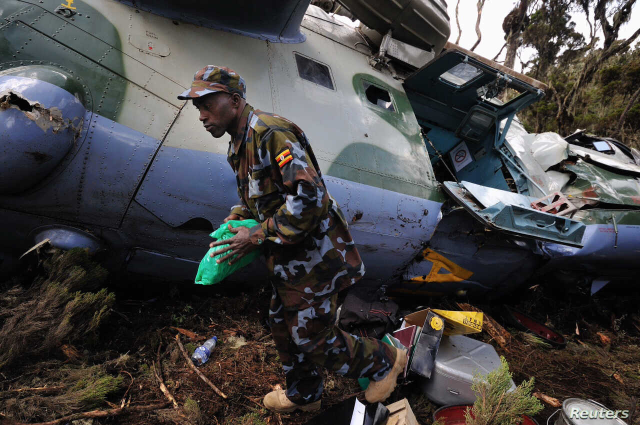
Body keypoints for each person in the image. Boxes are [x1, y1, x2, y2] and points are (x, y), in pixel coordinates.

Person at [178, 65, 406, 413]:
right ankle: (305, 394)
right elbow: (258, 199)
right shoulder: (239, 145)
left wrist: (255, 235)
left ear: (235, 101)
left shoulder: (271, 133)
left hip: (317, 257)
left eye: (208, 104)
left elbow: (310, 198)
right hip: (289, 260)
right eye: (198, 107)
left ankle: (385, 361)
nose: (202, 115)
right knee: (283, 323)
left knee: (312, 335)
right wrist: (238, 220)